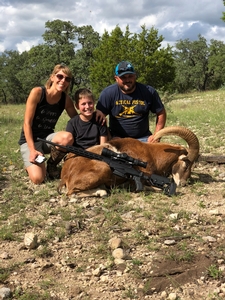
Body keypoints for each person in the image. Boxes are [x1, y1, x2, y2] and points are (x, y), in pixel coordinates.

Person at [18, 64, 105, 184]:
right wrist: (32, 150)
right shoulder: (38, 92)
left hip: (47, 139)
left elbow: (79, 118)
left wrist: (97, 112)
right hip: (30, 141)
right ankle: (32, 165)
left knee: (67, 137)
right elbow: (27, 124)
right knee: (38, 179)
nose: (63, 81)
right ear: (52, 77)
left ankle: (52, 165)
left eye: (67, 79)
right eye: (60, 76)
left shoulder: (65, 100)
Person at [96, 60, 166, 143]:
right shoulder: (108, 93)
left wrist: (156, 136)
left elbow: (161, 113)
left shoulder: (148, 91)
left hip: (143, 139)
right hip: (118, 139)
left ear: (135, 76)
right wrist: (110, 137)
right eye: (123, 77)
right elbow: (99, 118)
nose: (127, 80)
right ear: (116, 78)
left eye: (130, 76)